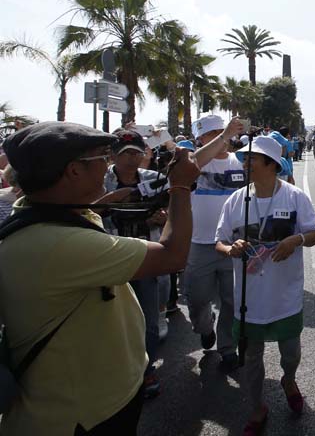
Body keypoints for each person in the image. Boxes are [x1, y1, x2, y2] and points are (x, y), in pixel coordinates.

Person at [0, 122, 199, 435]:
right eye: (101, 159)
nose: (108, 166)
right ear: (74, 172)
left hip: (92, 400)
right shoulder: (62, 244)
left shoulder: (40, 214)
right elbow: (172, 255)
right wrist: (180, 187)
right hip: (86, 415)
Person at [214, 135, 315, 435]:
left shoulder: (294, 197)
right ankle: (257, 407)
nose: (245, 164)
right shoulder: (236, 200)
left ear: (271, 164)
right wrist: (230, 249)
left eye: (252, 159)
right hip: (248, 298)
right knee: (251, 356)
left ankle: (289, 379)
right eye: (245, 158)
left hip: (285, 295)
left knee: (291, 352)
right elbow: (218, 241)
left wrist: (296, 238)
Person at [102, 130, 170, 398]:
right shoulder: (99, 181)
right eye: (124, 154)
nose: (131, 159)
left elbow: (173, 210)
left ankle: (146, 368)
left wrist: (163, 218)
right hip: (109, 260)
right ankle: (117, 371)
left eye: (136, 153)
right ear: (113, 156)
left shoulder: (156, 180)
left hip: (144, 258)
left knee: (148, 320)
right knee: (111, 321)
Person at [184, 114, 246, 371]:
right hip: (199, 244)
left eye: (222, 132)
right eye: (212, 135)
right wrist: (222, 137)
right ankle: (204, 326)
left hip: (232, 244)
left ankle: (227, 348)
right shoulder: (192, 162)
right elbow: (193, 163)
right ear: (200, 139)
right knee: (197, 299)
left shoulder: (240, 162)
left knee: (232, 301)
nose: (220, 138)